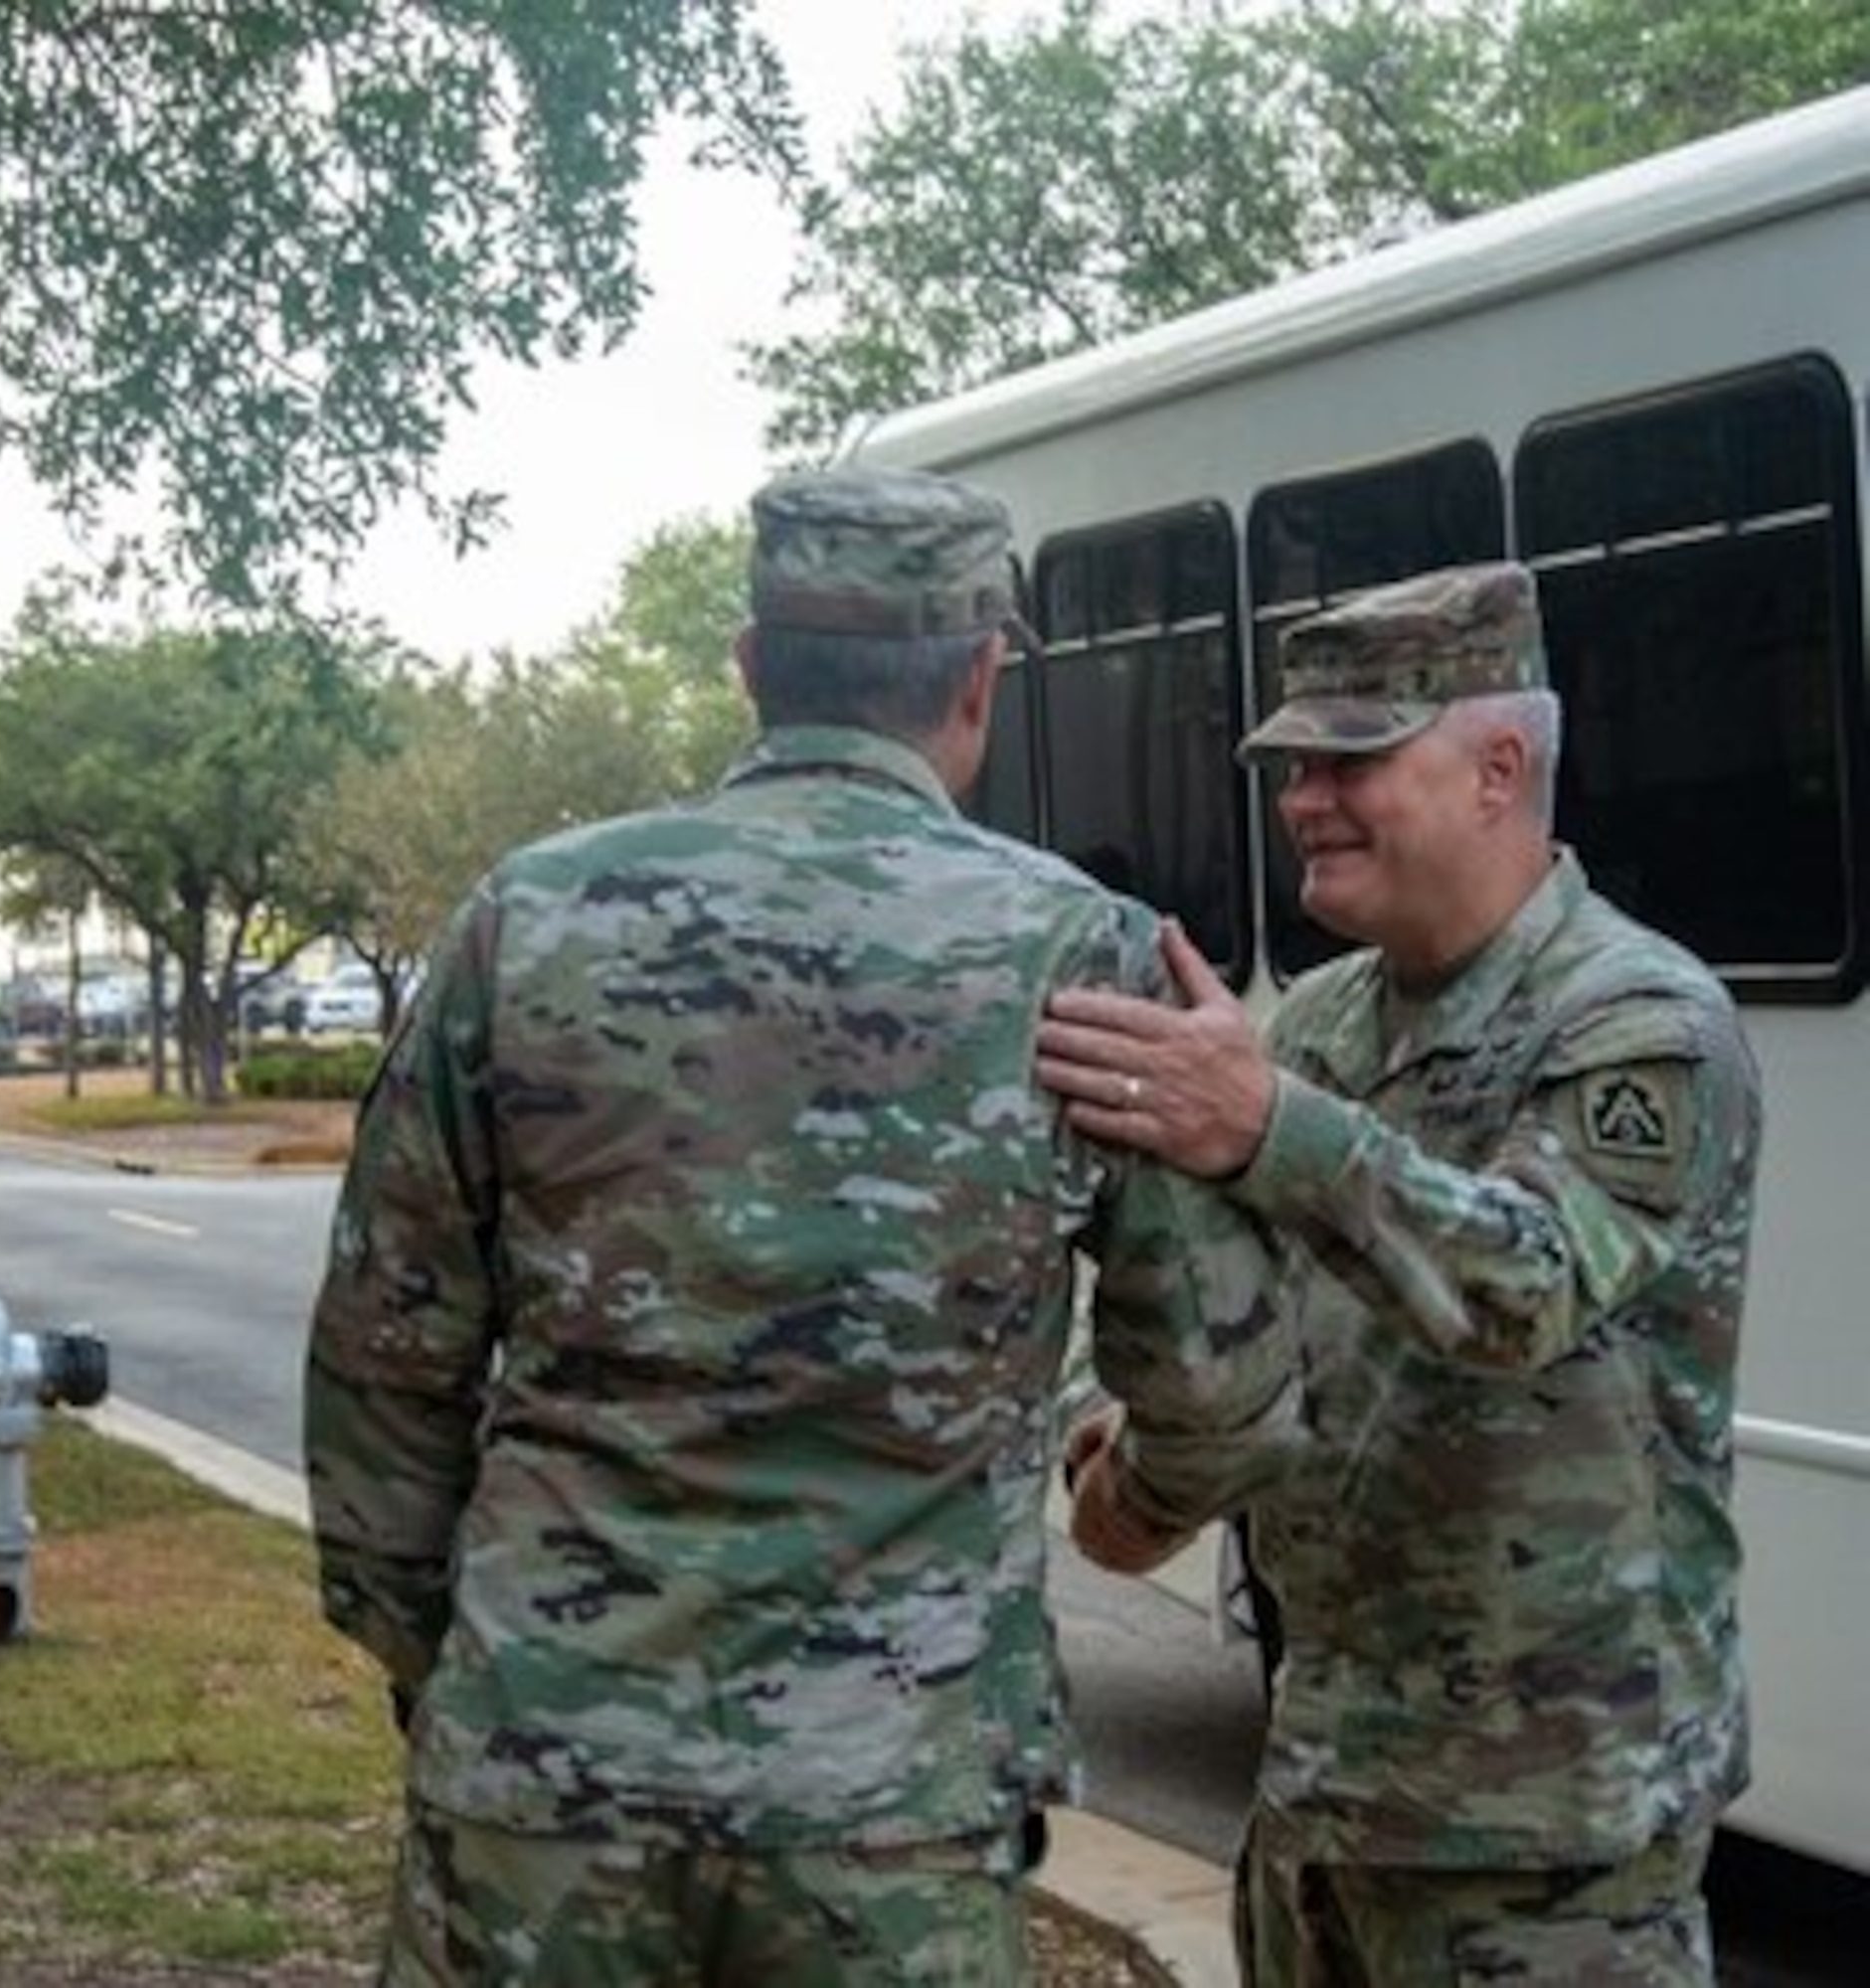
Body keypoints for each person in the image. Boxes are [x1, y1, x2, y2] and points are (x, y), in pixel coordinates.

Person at [303, 463, 1304, 1987]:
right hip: (893, 1812)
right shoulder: (1086, 959)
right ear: (982, 679)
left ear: (753, 667)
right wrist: (1135, 1507)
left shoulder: (528, 920)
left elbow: (384, 1357)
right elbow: (1222, 1393)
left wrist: (456, 1661)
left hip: (545, 1775)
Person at [1037, 562, 1763, 1986]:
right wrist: (1121, 1447)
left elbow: (1529, 1287)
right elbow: (1194, 1290)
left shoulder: (1642, 1024)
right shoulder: (1314, 1024)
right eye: (1294, 762)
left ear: (1500, 768)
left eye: (1351, 757)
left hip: (1552, 1834)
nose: (1304, 796)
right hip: (1326, 1784)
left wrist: (1267, 1128)